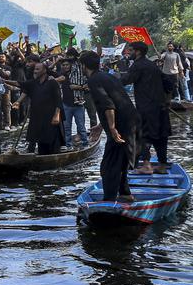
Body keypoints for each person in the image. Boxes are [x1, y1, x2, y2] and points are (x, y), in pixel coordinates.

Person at [81, 50, 137, 202]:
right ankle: (125, 194)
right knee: (121, 160)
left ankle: (109, 201)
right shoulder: (107, 76)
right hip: (131, 121)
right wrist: (101, 125)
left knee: (108, 166)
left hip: (120, 126)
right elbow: (116, 101)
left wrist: (111, 128)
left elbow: (108, 105)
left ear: (84, 66)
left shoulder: (93, 80)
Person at [120, 41, 172, 174]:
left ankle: (147, 165)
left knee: (141, 136)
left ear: (137, 52)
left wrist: (110, 78)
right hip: (161, 108)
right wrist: (167, 101)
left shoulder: (138, 65)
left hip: (146, 108)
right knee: (161, 136)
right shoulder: (153, 65)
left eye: (130, 50)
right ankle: (161, 165)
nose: (129, 53)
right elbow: (168, 83)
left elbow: (125, 80)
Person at [12, 61, 64, 154]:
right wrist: (4, 81)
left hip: (51, 117)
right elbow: (20, 84)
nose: (35, 71)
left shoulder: (52, 82)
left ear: (44, 70)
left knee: (52, 142)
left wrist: (56, 115)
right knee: (41, 142)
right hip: (38, 117)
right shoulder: (34, 82)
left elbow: (58, 100)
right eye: (34, 69)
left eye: (37, 69)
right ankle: (40, 156)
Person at [59, 48, 89, 149]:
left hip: (79, 104)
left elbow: (87, 84)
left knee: (81, 126)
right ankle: (68, 145)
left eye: (67, 64)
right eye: (64, 65)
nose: (66, 66)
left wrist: (79, 87)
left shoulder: (80, 72)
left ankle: (85, 144)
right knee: (67, 127)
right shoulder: (62, 74)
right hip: (66, 104)